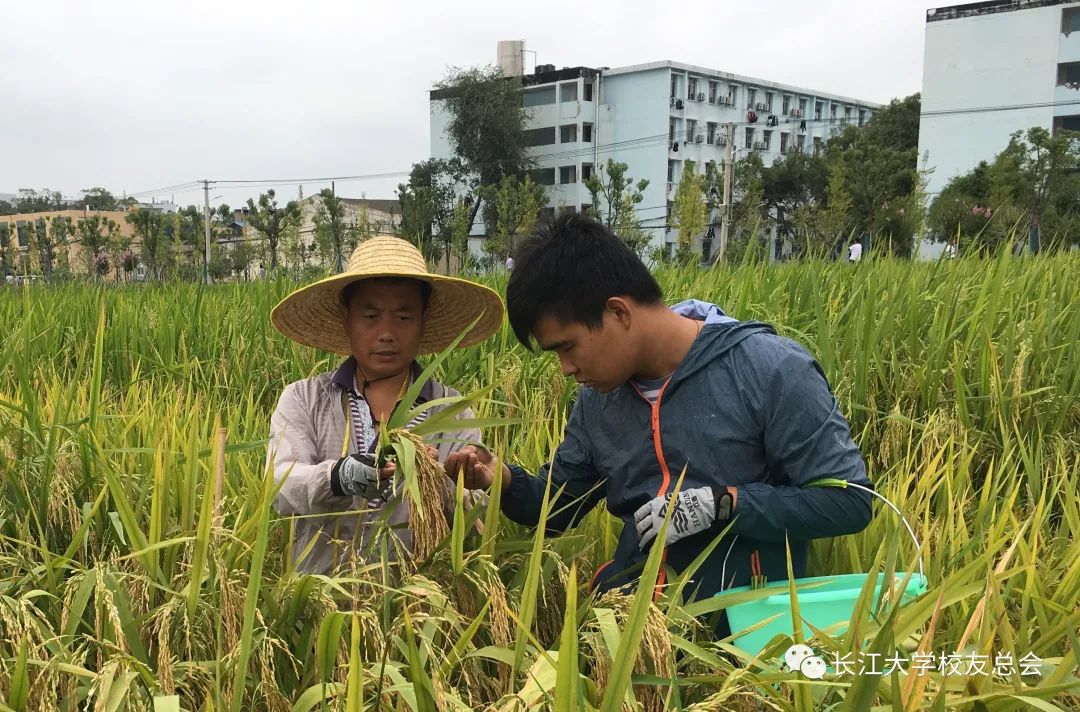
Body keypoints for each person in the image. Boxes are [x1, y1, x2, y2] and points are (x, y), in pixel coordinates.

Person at [445, 214, 873, 622]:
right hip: (633, 635)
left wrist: (725, 504)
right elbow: (558, 508)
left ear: (619, 312)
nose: (565, 369)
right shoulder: (599, 400)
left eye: (567, 347)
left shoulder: (769, 369)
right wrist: (501, 478)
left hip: (747, 634)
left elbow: (849, 501)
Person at [266, 236, 504, 575]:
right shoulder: (304, 399)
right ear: (347, 319)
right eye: (370, 315)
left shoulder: (451, 411)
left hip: (418, 599)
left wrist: (448, 482)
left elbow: (476, 520)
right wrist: (339, 477)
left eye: (403, 317)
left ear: (423, 321)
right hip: (320, 598)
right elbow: (279, 486)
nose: (387, 333)